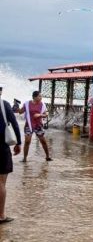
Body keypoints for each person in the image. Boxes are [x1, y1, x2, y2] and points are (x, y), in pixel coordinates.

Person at [0, 83, 21, 224]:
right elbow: (14, 123)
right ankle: (1, 215)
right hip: (1, 148)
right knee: (1, 182)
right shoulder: (4, 104)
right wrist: (18, 142)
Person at [19, 91, 52, 162]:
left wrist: (39, 115)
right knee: (27, 141)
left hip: (38, 125)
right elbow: (20, 112)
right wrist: (16, 107)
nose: (41, 98)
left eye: (41, 96)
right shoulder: (27, 104)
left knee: (43, 141)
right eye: (39, 96)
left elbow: (46, 114)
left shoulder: (42, 104)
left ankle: (47, 156)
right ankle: (24, 158)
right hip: (29, 125)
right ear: (34, 97)